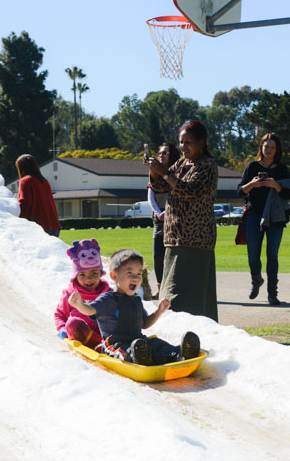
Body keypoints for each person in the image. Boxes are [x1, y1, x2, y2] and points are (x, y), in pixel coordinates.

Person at [68, 249, 200, 366]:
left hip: (138, 341)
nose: (135, 278)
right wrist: (79, 305)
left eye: (139, 274)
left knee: (157, 344)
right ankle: (138, 358)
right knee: (123, 351)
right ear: (114, 276)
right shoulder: (107, 299)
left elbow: (144, 324)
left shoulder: (136, 300)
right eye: (130, 273)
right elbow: (90, 310)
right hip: (114, 344)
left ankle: (180, 354)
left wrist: (159, 311)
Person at [148, 120, 218, 321]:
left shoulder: (207, 165)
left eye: (188, 142)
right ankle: (174, 330)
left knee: (186, 296)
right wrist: (155, 171)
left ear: (201, 142)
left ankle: (195, 332)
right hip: (174, 237)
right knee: (170, 292)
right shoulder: (181, 163)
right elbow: (162, 187)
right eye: (181, 142)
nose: (183, 147)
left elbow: (190, 191)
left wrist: (165, 173)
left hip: (195, 240)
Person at [237, 133, 290, 306]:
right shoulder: (252, 167)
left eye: (272, 147)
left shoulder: (281, 169)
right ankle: (256, 279)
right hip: (254, 215)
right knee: (253, 255)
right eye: (266, 146)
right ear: (261, 148)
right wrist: (253, 184)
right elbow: (239, 191)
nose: (269, 150)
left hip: (275, 217)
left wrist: (276, 185)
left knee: (272, 255)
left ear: (277, 150)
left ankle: (272, 294)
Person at [55, 239, 109, 348]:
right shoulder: (71, 294)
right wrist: (62, 328)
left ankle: (107, 345)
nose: (89, 279)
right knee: (72, 323)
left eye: (94, 273)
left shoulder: (108, 293)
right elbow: (60, 314)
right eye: (82, 275)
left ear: (101, 274)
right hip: (81, 336)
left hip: (106, 336)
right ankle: (100, 345)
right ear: (76, 277)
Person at [147, 143, 180, 294]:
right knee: (157, 256)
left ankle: (172, 287)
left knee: (172, 256)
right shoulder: (154, 174)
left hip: (175, 220)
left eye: (164, 153)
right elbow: (151, 196)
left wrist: (167, 212)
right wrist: (158, 212)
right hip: (158, 220)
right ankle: (160, 287)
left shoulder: (177, 172)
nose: (161, 155)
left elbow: (178, 194)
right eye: (159, 153)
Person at [14, 154, 61, 237]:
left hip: (38, 227)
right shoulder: (44, 181)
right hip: (53, 226)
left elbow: (24, 204)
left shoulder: (25, 181)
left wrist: (16, 221)